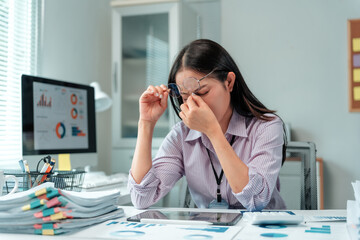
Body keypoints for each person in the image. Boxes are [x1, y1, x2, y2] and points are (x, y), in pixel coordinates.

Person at [128, 39, 286, 211]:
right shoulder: (181, 135)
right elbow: (141, 198)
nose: (193, 103)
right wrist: (146, 123)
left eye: (202, 92)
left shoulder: (267, 127)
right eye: (185, 96)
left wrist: (213, 132)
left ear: (229, 82)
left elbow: (257, 200)